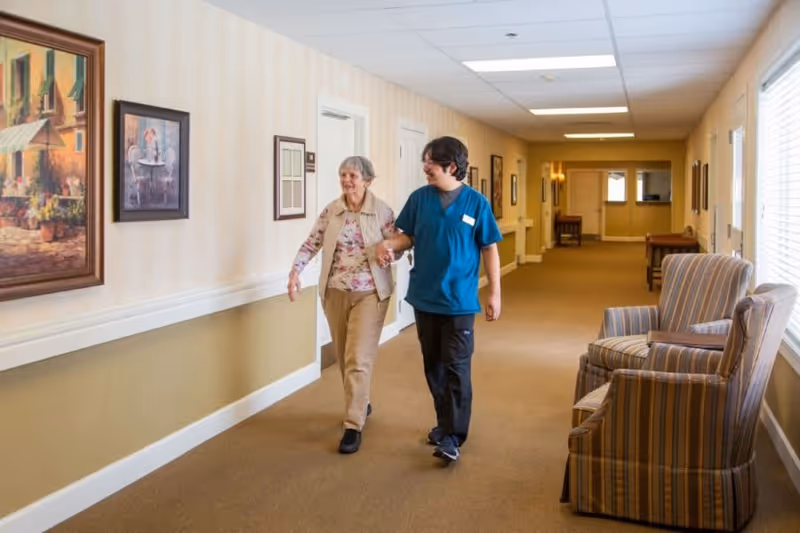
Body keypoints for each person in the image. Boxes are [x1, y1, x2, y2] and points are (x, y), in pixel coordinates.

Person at [377, 136, 502, 464]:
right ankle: (445, 424)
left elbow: (489, 248)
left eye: (430, 162)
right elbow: (409, 236)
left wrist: (495, 293)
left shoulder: (477, 204)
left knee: (457, 368)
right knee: (434, 367)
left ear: (451, 166)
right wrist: (392, 246)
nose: (425, 167)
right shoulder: (420, 198)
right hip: (424, 298)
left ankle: (453, 436)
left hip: (459, 302)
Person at [288, 156, 398, 454]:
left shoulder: (381, 211)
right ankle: (360, 401)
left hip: (370, 293)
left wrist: (389, 253)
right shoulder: (332, 211)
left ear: (367, 180)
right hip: (334, 292)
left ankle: (353, 424)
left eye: (352, 175)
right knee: (343, 356)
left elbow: (397, 244)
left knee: (358, 357)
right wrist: (295, 271)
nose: (347, 180)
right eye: (342, 175)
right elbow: (311, 243)